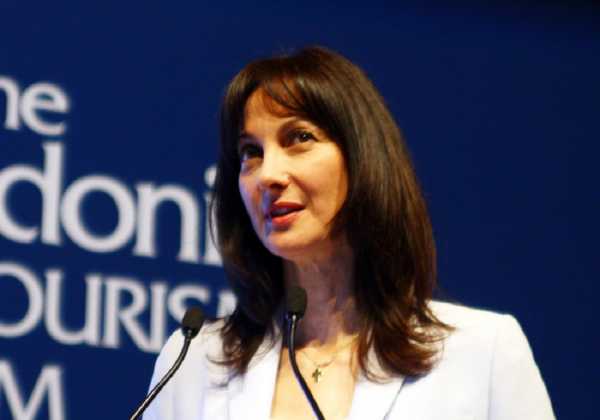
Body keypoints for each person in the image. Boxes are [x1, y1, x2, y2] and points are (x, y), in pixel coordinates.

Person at [143, 46, 555, 420]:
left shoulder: (482, 354)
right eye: (251, 152)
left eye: (299, 138)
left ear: (362, 160)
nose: (268, 174)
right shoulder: (194, 361)